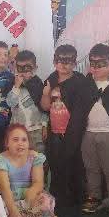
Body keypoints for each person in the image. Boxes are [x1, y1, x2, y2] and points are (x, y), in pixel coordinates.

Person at [70, 44, 109, 214]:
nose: (95, 68)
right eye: (93, 63)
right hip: (89, 132)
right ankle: (94, 196)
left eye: (100, 64)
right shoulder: (86, 84)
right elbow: (80, 109)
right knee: (91, 167)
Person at [41, 44, 87, 206]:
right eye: (60, 60)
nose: (64, 64)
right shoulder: (51, 79)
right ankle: (57, 200)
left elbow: (82, 110)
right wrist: (46, 93)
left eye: (68, 61)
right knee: (56, 165)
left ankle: (77, 200)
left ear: (74, 63)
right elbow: (45, 107)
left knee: (75, 166)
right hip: (54, 132)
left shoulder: (80, 81)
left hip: (73, 132)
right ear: (55, 61)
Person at [0, 124, 57, 217]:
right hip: (8, 196)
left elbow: (38, 182)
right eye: (15, 140)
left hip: (28, 195)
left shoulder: (34, 157)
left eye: (24, 140)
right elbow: (5, 188)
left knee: (45, 199)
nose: (20, 143)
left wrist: (31, 193)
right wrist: (13, 210)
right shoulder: (1, 160)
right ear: (7, 143)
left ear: (28, 143)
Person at [6, 50, 47, 153]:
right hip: (18, 130)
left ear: (35, 68)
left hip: (36, 129)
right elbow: (10, 103)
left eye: (27, 68)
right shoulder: (12, 83)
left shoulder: (38, 84)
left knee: (37, 156)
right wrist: (16, 86)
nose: (23, 72)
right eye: (20, 68)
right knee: (19, 155)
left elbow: (43, 107)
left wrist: (44, 125)